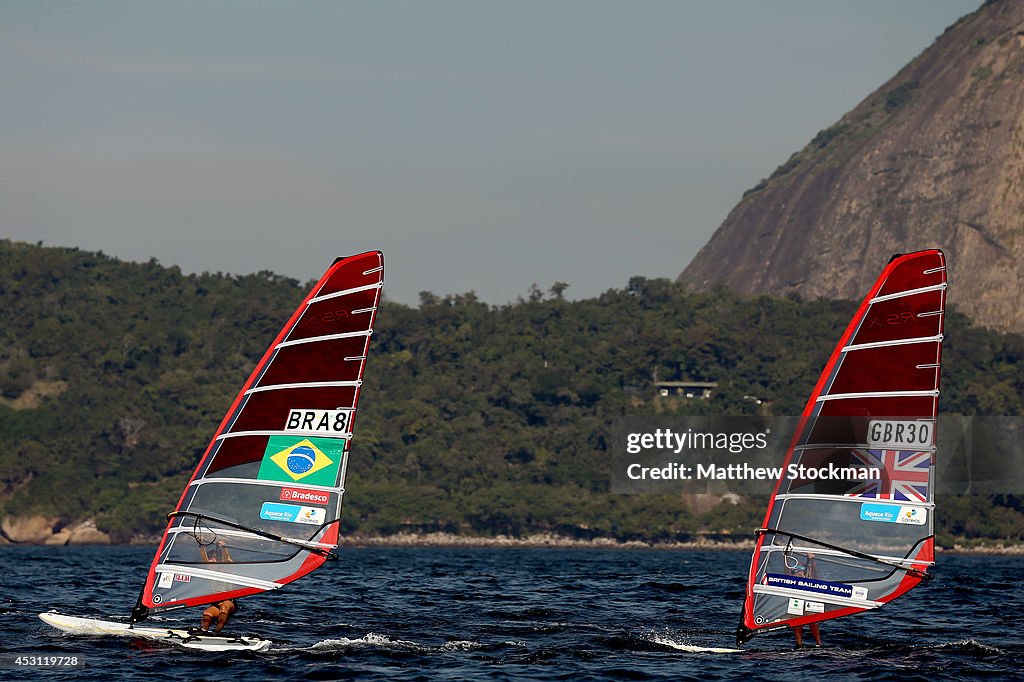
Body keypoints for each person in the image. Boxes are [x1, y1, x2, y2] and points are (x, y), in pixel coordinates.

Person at [198, 539, 238, 633]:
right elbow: (204, 560)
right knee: (207, 613)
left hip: (229, 602)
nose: (210, 560)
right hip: (216, 604)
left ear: (218, 560)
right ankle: (203, 631)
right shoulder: (210, 571)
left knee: (224, 607)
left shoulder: (227, 569)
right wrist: (201, 546)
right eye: (209, 558)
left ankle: (217, 631)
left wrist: (224, 548)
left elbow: (228, 560)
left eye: (212, 558)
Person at [787, 552, 822, 648]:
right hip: (796, 605)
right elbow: (786, 569)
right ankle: (799, 644)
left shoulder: (809, 578)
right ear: (792, 574)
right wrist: (785, 555)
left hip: (808, 605)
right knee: (796, 619)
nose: (799, 573)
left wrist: (811, 559)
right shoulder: (790, 580)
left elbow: (813, 572)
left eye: (801, 571)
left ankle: (818, 644)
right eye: (796, 571)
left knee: (812, 619)